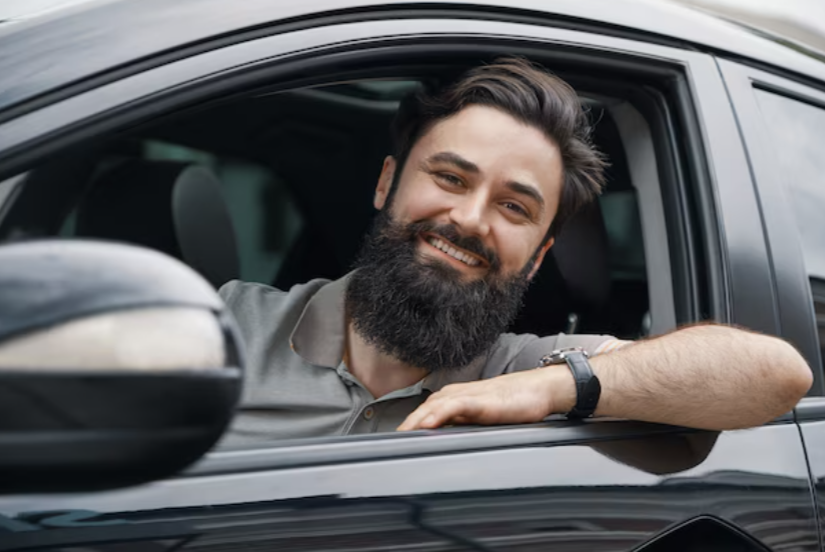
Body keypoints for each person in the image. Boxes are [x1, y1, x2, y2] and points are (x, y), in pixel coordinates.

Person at [218, 57, 812, 446]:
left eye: (514, 207)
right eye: (450, 178)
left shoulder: (527, 369)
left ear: (536, 256)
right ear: (386, 184)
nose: (469, 219)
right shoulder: (230, 326)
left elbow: (778, 374)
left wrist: (547, 389)